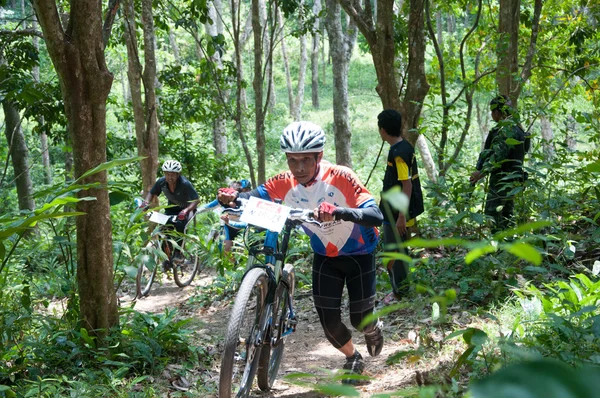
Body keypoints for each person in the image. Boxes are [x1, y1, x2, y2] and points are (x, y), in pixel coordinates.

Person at [217, 121, 384, 383]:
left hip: (359, 254)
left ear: (319, 156)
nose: (299, 168)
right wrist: (233, 197)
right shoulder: (285, 181)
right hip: (325, 256)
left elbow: (376, 215)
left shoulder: (341, 176)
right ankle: (353, 358)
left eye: (306, 160)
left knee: (360, 320)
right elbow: (254, 195)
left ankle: (372, 328)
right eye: (292, 161)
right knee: (329, 323)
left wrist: (338, 211)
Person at [377, 109, 424, 302]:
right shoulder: (404, 146)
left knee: (394, 250)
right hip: (397, 210)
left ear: (383, 130)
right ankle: (401, 289)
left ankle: (401, 292)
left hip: (398, 213)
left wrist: (401, 217)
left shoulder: (399, 154)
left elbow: (407, 184)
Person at [469, 95, 528, 232]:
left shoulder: (505, 131)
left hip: (502, 182)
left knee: (493, 215)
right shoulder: (518, 129)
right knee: (507, 216)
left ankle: (498, 249)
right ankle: (506, 248)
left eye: (492, 111)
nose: (491, 115)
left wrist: (480, 173)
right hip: (514, 181)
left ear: (497, 112)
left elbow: (497, 157)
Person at [140, 160, 199, 264]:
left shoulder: (185, 183)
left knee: (181, 225)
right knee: (163, 229)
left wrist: (185, 210)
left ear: (178, 174)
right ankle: (167, 257)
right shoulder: (161, 182)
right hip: (171, 209)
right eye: (167, 174)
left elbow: (196, 200)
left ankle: (178, 253)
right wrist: (145, 203)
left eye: (172, 175)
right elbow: (151, 193)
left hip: (187, 209)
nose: (169, 177)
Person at [201, 180, 251, 256]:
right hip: (228, 227)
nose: (230, 197)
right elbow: (207, 207)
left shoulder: (245, 201)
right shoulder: (224, 199)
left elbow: (247, 222)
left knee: (240, 253)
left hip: (241, 229)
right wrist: (193, 210)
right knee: (227, 250)